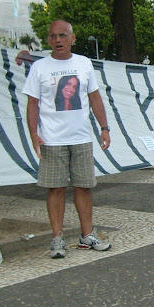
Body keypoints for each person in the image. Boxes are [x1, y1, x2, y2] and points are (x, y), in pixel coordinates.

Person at [22, 20, 112, 259]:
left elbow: (94, 97)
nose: (58, 40)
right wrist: (34, 134)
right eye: (53, 36)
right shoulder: (40, 67)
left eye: (63, 35)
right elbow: (32, 104)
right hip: (52, 140)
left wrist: (104, 127)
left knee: (84, 187)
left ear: (73, 38)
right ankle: (57, 238)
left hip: (81, 137)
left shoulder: (84, 64)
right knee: (56, 188)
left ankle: (86, 235)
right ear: (48, 40)